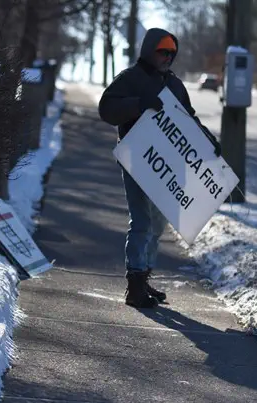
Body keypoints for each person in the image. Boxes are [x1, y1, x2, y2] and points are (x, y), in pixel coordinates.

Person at [98, 28, 221, 309]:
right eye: (162, 51)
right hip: (137, 160)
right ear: (149, 51)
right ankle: (134, 286)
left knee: (157, 224)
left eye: (171, 53)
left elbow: (188, 119)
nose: (167, 57)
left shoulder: (175, 85)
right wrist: (139, 105)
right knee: (141, 222)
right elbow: (107, 108)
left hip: (167, 166)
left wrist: (208, 141)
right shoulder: (130, 79)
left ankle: (145, 277)